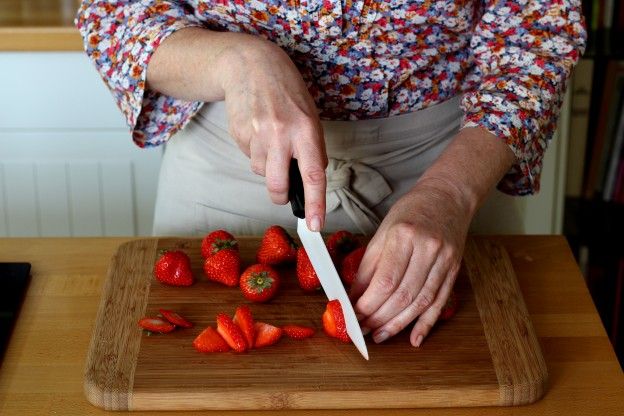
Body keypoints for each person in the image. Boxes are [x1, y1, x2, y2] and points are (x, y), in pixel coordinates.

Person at [76, 1, 586, 347]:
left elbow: (537, 29)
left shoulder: (453, 187)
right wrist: (237, 60)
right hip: (232, 168)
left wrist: (450, 191)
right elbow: (114, 10)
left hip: (452, 169)